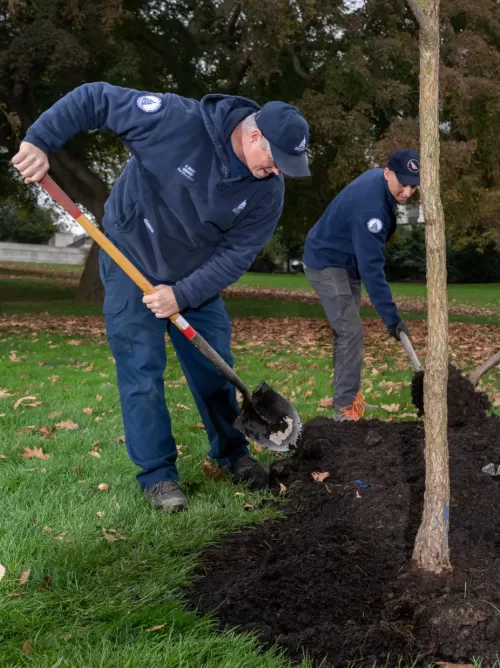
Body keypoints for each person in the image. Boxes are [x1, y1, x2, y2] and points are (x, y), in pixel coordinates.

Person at [11, 82, 311, 513]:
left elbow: (237, 255)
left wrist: (183, 294)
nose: (277, 171)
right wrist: (40, 140)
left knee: (215, 369)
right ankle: (158, 476)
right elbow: (95, 99)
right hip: (129, 255)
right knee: (141, 371)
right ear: (253, 136)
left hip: (194, 277)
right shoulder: (176, 121)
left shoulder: (268, 191)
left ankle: (233, 454)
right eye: (275, 159)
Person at [302, 150, 419, 421]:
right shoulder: (371, 211)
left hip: (345, 261)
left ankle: (349, 397)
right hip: (327, 262)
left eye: (413, 185)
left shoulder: (380, 182)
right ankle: (345, 409)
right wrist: (392, 318)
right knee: (350, 331)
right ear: (388, 172)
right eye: (403, 183)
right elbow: (372, 269)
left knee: (347, 333)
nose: (407, 192)